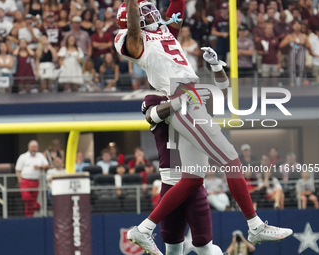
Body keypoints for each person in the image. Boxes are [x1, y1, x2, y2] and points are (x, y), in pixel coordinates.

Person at [115, 0, 292, 253]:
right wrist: (133, 4)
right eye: (144, 12)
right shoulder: (134, 40)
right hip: (182, 97)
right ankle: (254, 225)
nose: (151, 12)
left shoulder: (162, 31)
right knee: (231, 160)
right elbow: (133, 29)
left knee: (194, 177)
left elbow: (175, 11)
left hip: (192, 95)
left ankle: (143, 229)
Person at [139, 94, 224, 255]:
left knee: (203, 246)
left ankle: (144, 229)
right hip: (170, 181)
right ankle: (144, 229)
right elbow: (152, 116)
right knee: (172, 247)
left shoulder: (194, 98)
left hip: (193, 181)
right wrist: (182, 100)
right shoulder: (157, 100)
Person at [15, 140, 49, 217]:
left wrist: (39, 167)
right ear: (29, 147)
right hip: (25, 181)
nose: (34, 149)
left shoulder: (40, 156)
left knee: (30, 203)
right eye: (32, 147)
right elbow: (18, 169)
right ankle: (36, 205)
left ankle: (29, 216)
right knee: (26, 197)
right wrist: (20, 180)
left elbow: (46, 165)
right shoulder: (23, 157)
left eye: (35, 147)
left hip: (36, 181)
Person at [280, 20, 311, 86]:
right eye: (295, 24)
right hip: (292, 56)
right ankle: (292, 82)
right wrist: (290, 40)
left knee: (301, 68)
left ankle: (302, 82)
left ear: (301, 26)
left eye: (298, 24)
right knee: (292, 68)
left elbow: (309, 47)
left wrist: (304, 43)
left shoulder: (304, 36)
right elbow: (281, 45)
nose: (297, 26)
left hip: (301, 56)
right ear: (292, 26)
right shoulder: (290, 36)